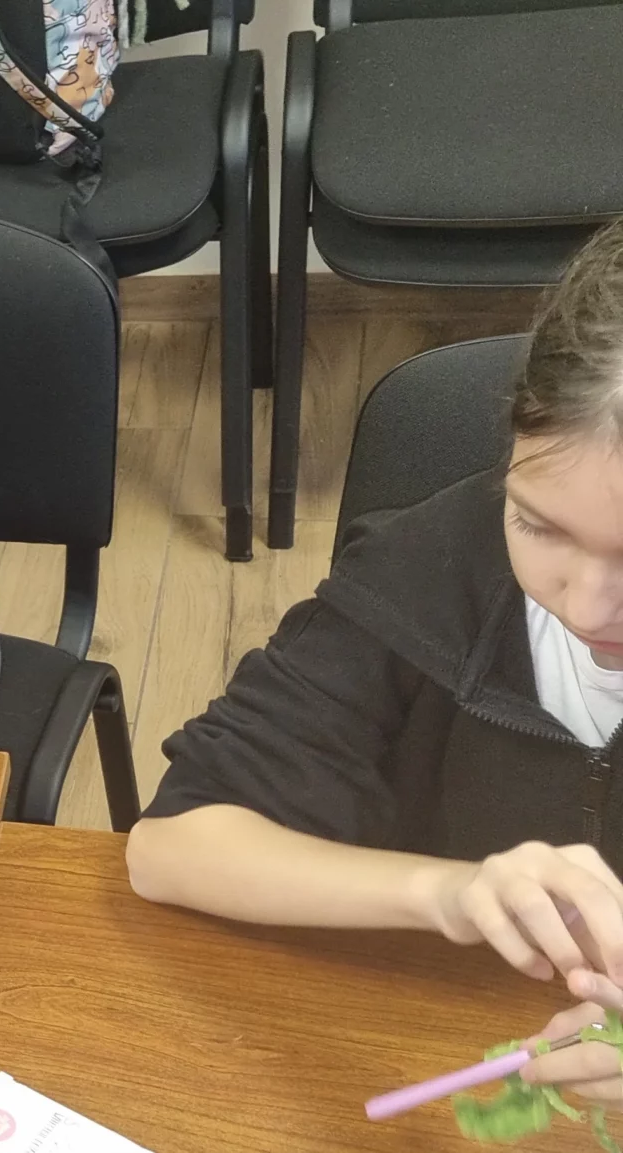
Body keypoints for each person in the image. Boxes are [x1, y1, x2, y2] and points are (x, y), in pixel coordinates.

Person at [128, 219, 623, 985]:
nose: (587, 607)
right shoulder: (425, 567)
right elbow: (174, 843)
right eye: (538, 524)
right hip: (443, 1013)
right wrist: (450, 892)